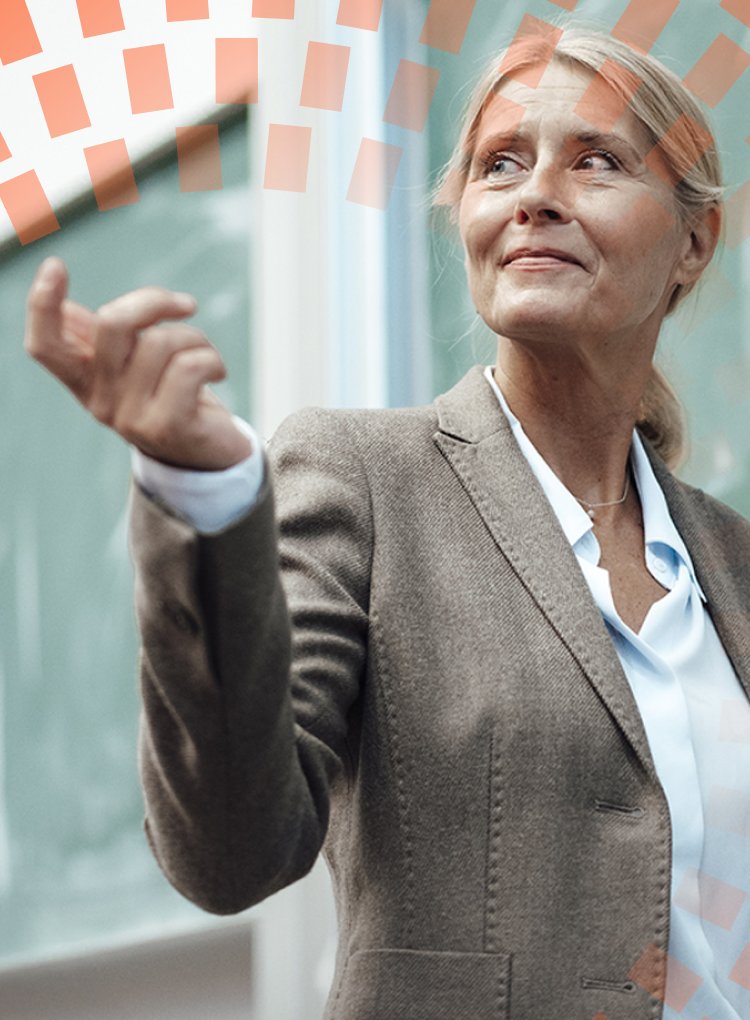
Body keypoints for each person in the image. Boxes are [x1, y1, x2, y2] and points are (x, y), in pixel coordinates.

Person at [24, 24, 750, 1020]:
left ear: (693, 241)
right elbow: (232, 851)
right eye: (502, 164)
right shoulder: (364, 479)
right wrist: (204, 495)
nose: (537, 193)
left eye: (596, 160)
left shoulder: (734, 564)